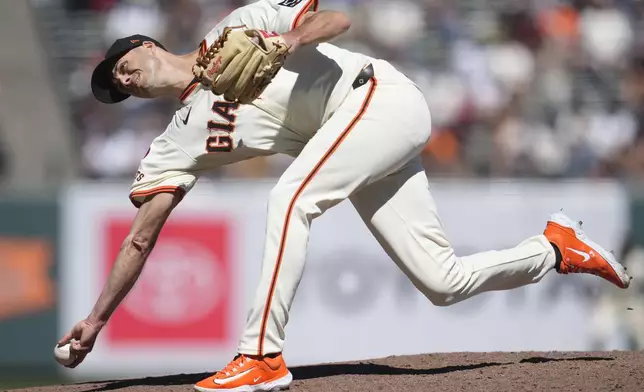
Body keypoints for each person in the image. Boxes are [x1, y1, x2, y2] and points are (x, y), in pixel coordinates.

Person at [57, 1, 632, 391]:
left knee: (289, 199)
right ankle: (555, 248)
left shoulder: (236, 26)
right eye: (114, 88)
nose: (121, 81)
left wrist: (285, 40)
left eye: (120, 66)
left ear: (145, 44)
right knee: (442, 281)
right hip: (352, 140)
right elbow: (140, 237)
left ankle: (260, 354)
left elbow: (337, 19)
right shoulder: (174, 143)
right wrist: (97, 319)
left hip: (377, 99)